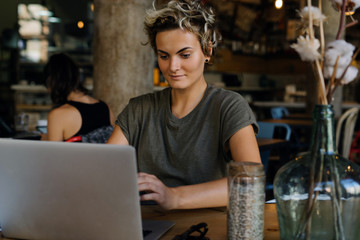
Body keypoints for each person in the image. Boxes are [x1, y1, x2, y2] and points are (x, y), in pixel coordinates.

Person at [107, 0, 261, 210]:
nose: (173, 67)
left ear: (207, 51)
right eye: (164, 56)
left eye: (185, 54)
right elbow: (102, 171)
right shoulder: (139, 110)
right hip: (147, 226)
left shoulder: (228, 107)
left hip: (206, 228)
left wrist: (174, 197)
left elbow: (251, 183)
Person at [43, 53, 115, 141]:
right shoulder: (106, 108)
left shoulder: (58, 114)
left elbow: (53, 153)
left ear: (51, 82)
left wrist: (46, 139)